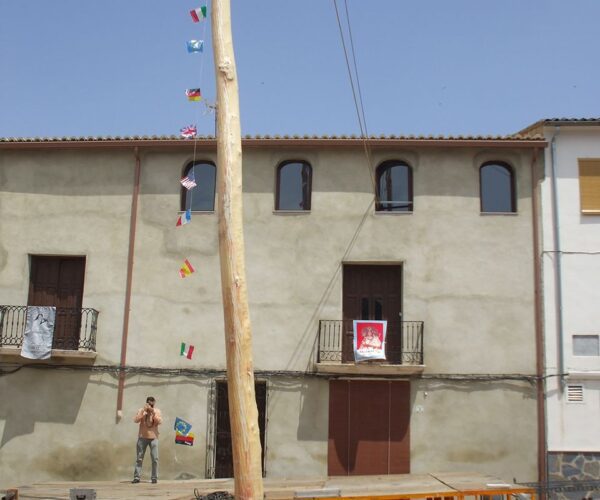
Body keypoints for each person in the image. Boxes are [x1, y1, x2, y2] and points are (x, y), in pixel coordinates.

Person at [132, 396, 162, 484]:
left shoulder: (157, 411)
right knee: (139, 458)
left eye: (152, 403)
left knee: (155, 458)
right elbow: (136, 420)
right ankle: (137, 477)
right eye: (149, 403)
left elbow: (160, 421)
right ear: (146, 403)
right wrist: (143, 412)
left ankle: (154, 478)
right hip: (142, 437)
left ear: (154, 403)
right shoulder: (141, 410)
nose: (150, 405)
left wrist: (153, 413)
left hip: (154, 438)